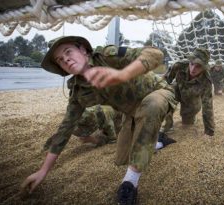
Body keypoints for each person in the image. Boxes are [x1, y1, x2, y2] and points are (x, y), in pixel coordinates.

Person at [20, 36, 177, 205]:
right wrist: (43, 171)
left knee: (150, 108)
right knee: (122, 158)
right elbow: (65, 129)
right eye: (60, 59)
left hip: (159, 93)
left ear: (83, 50)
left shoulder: (106, 56)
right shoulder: (79, 91)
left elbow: (155, 53)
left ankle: (130, 183)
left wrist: (122, 74)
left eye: (68, 52)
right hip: (132, 113)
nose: (65, 59)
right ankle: (158, 141)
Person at [163, 48, 215, 136]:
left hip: (191, 98)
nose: (193, 69)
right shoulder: (178, 65)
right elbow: (165, 81)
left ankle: (189, 116)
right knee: (165, 96)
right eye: (191, 64)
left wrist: (209, 131)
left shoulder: (206, 80)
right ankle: (167, 125)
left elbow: (207, 106)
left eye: (198, 66)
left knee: (187, 123)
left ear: (204, 67)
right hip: (177, 89)